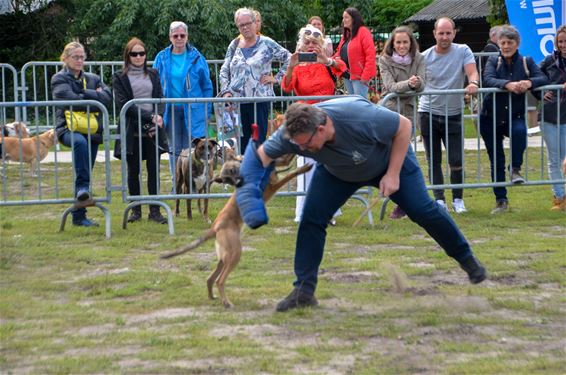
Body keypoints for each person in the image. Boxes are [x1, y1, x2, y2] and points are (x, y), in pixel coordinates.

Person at [235, 97, 487, 312]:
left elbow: (404, 126)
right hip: (338, 172)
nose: (300, 149)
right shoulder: (292, 132)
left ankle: (468, 261)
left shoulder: (360, 117)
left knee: (424, 210)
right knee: (311, 221)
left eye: (305, 144)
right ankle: (303, 291)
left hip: (389, 162)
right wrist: (249, 193)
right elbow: (261, 158)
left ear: (321, 129)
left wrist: (393, 174)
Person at [281, 24, 346, 224]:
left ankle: (329, 211)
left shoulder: (326, 62)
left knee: (328, 165)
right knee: (306, 165)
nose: (310, 46)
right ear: (301, 44)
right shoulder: (297, 65)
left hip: (327, 117)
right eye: (307, 42)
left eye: (314, 43)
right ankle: (304, 211)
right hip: (305, 119)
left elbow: (343, 69)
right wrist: (292, 66)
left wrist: (326, 60)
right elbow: (286, 86)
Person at [480, 25, 548, 214]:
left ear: (517, 44)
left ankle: (515, 168)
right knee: (496, 159)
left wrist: (530, 82)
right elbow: (488, 79)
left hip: (515, 115)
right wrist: (507, 84)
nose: (506, 46)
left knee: (520, 132)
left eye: (510, 42)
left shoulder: (527, 61)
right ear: (499, 43)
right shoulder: (494, 61)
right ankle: (501, 200)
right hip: (490, 117)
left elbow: (542, 77)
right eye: (503, 43)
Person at [417, 17, 480, 214]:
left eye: (448, 33)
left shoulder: (463, 50)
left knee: (456, 160)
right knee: (433, 159)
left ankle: (458, 200)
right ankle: (439, 200)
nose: (444, 37)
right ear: (434, 33)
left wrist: (473, 83)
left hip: (453, 113)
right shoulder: (424, 57)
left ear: (454, 33)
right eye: (441, 33)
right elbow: (416, 81)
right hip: (428, 112)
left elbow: (472, 72)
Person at [51, 41, 112, 227]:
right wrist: (94, 96)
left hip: (92, 130)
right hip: (68, 129)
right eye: (75, 57)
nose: (79, 60)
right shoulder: (59, 78)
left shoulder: (92, 78)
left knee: (85, 170)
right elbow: (69, 100)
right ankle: (83, 191)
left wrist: (84, 92)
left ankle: (79, 216)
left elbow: (108, 98)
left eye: (82, 57)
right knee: (80, 144)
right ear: (65, 58)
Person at [113, 37, 168, 224]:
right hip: (132, 130)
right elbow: (124, 105)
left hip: (153, 131)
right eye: (134, 54)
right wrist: (149, 117)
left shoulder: (153, 74)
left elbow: (160, 98)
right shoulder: (119, 77)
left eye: (141, 53)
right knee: (133, 171)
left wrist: (158, 116)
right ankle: (135, 209)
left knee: (154, 171)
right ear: (127, 56)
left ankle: (155, 210)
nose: (138, 57)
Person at [219, 7, 291, 151]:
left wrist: (276, 78)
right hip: (237, 102)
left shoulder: (267, 43)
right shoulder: (234, 45)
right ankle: (244, 172)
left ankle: (258, 171)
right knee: (241, 144)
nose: (245, 28)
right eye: (241, 25)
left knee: (258, 143)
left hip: (259, 101)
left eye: (248, 23)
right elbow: (224, 69)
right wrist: (226, 91)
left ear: (255, 23)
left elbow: (289, 58)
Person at [153, 21, 213, 182]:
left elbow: (207, 86)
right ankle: (177, 181)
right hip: (169, 109)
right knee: (174, 148)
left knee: (192, 148)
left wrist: (207, 111)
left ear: (187, 36)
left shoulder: (197, 57)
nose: (179, 38)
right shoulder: (161, 57)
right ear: (170, 37)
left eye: (182, 35)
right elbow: (154, 84)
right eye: (175, 35)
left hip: (193, 109)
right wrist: (156, 110)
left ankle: (194, 181)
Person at [379, 26, 426, 219]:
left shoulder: (420, 59)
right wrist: (410, 84)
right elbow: (390, 87)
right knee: (395, 160)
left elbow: (423, 85)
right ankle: (407, 200)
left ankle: (408, 201)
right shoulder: (384, 60)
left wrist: (417, 84)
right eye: (398, 42)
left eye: (405, 42)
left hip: (409, 113)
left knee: (404, 159)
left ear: (411, 43)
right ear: (393, 43)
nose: (401, 46)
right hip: (390, 112)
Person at [539, 24, 566, 211]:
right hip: (550, 116)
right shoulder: (549, 61)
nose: (564, 45)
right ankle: (559, 197)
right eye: (561, 41)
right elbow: (533, 77)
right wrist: (541, 92)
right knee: (555, 159)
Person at [333, 7, 376, 98]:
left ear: (354, 18)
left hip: (359, 76)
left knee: (360, 104)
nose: (343, 20)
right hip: (347, 75)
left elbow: (370, 55)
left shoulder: (363, 32)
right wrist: (336, 57)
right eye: (343, 17)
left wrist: (365, 76)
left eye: (346, 17)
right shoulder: (347, 34)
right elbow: (339, 50)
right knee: (353, 103)